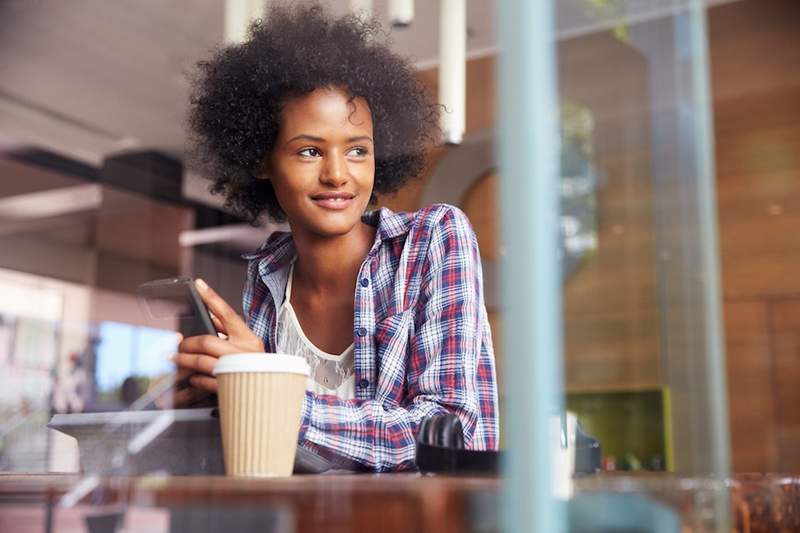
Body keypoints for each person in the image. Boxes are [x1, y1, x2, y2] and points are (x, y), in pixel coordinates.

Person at [174, 4, 498, 472]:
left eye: (357, 150)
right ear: (262, 160)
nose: (338, 174)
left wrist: (264, 389)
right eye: (309, 150)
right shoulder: (267, 277)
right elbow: (269, 457)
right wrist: (211, 405)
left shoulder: (432, 241)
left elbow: (454, 438)